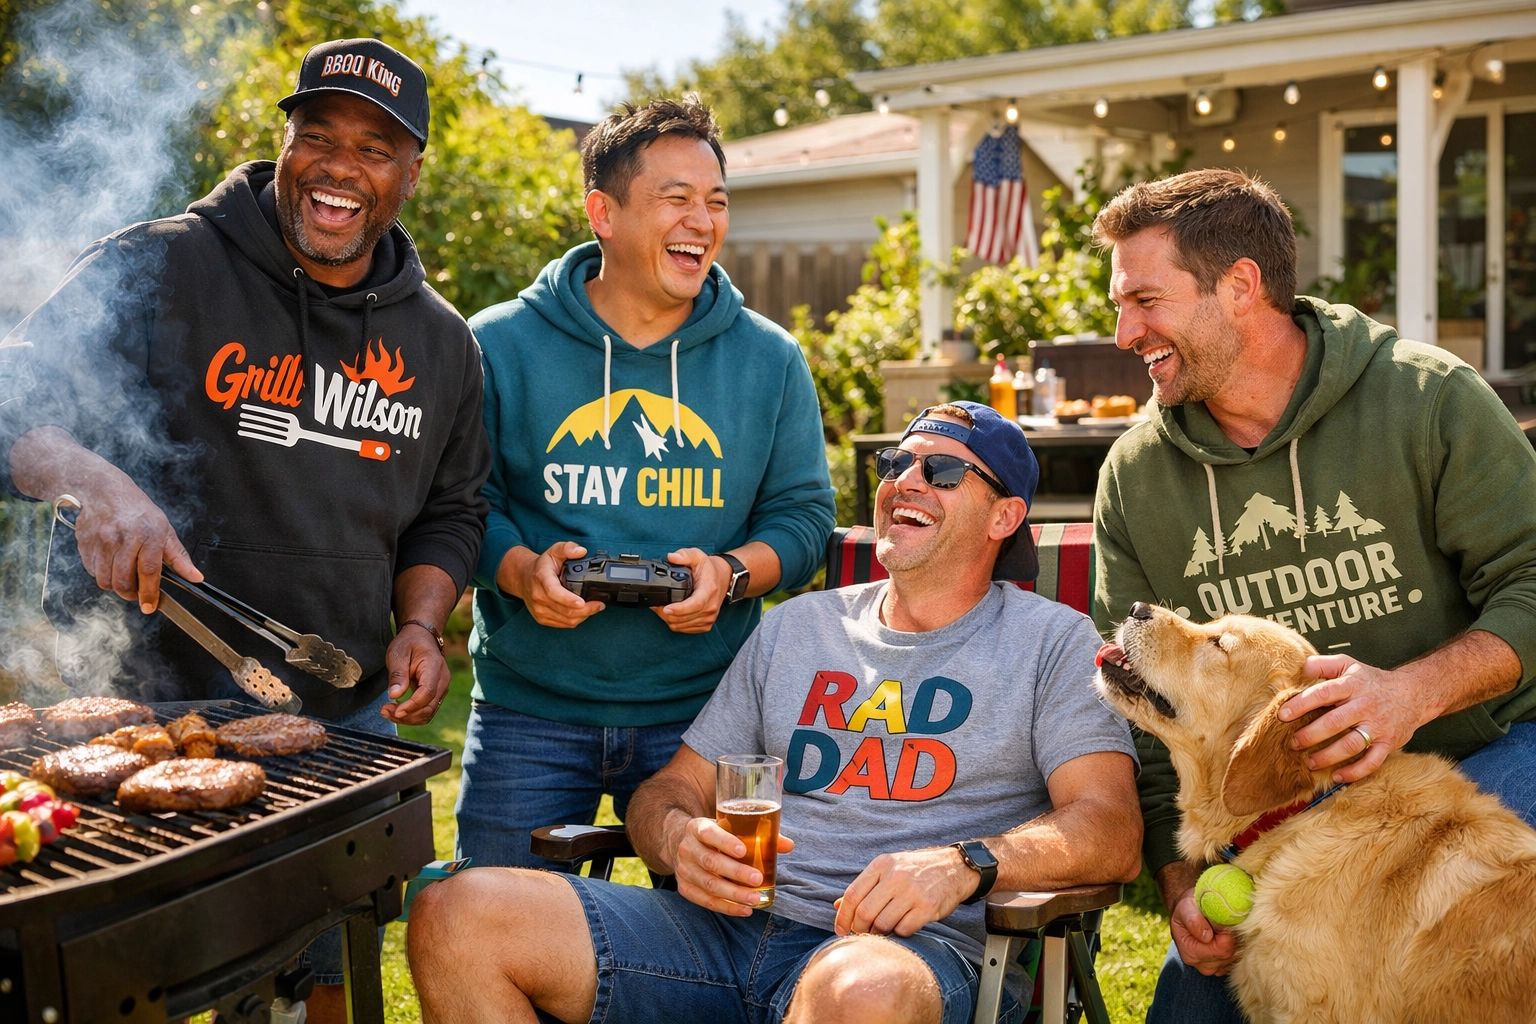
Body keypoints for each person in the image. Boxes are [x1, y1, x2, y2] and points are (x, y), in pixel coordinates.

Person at [0, 38, 490, 1022]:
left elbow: (451, 508)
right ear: (286, 143)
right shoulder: (165, 265)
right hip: (127, 718)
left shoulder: (440, 342)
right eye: (320, 135)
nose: (342, 166)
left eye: (376, 147)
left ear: (412, 172)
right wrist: (93, 479)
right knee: (125, 985)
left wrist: (419, 618)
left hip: (325, 726)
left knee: (313, 969)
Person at [408, 401, 1142, 1024]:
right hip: (727, 932)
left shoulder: (1052, 642)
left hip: (910, 953)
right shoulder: (799, 628)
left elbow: (1111, 829)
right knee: (457, 911)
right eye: (896, 463)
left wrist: (966, 863)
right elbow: (674, 789)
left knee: (863, 992)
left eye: (942, 472)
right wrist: (676, 837)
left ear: (1004, 516)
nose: (904, 482)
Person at [1089, 167, 1536, 1023]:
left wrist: (1409, 694)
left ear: (1242, 287)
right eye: (1121, 304)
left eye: (1145, 300)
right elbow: (1149, 717)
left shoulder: (1425, 398)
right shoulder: (1138, 477)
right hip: (1277, 813)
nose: (1123, 331)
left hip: (1483, 750)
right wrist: (1184, 885)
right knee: (1194, 1007)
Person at [458, 96, 835, 868]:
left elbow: (803, 520)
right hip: (529, 709)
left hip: (709, 715)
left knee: (728, 937)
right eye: (677, 199)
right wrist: (521, 572)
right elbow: (462, 507)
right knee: (482, 920)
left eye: (716, 201)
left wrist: (730, 576)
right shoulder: (497, 344)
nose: (703, 221)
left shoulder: (770, 359)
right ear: (604, 212)